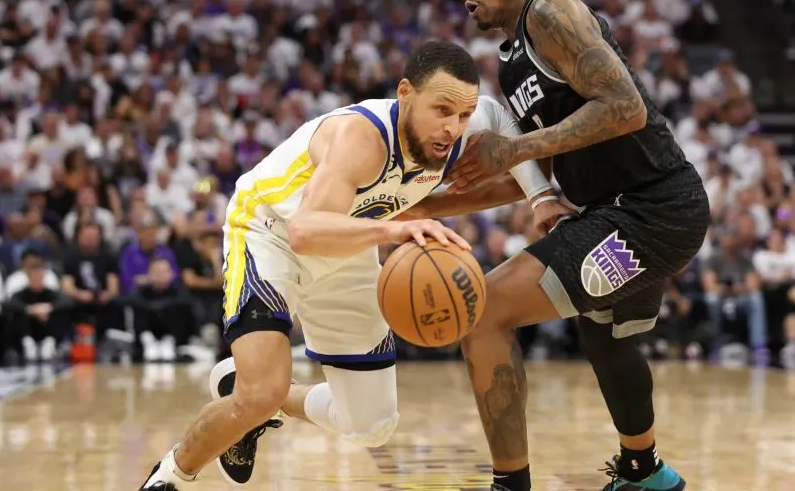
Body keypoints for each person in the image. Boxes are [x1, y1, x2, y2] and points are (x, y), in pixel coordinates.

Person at [140, 41, 567, 490]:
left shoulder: (457, 131)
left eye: (461, 116)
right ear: (405, 93)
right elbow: (305, 231)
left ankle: (265, 400)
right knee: (259, 393)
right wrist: (393, 232)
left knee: (371, 423)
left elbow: (499, 119)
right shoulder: (361, 137)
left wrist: (539, 195)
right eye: (441, 110)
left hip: (345, 245)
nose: (453, 127)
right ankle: (168, 477)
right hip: (271, 232)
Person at [411, 0, 710, 490]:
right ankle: (646, 475)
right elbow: (522, 172)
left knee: (482, 312)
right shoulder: (511, 60)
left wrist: (514, 148)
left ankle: (510, 483)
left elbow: (626, 107)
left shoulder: (550, 12)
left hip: (652, 208)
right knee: (607, 336)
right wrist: (422, 208)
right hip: (626, 214)